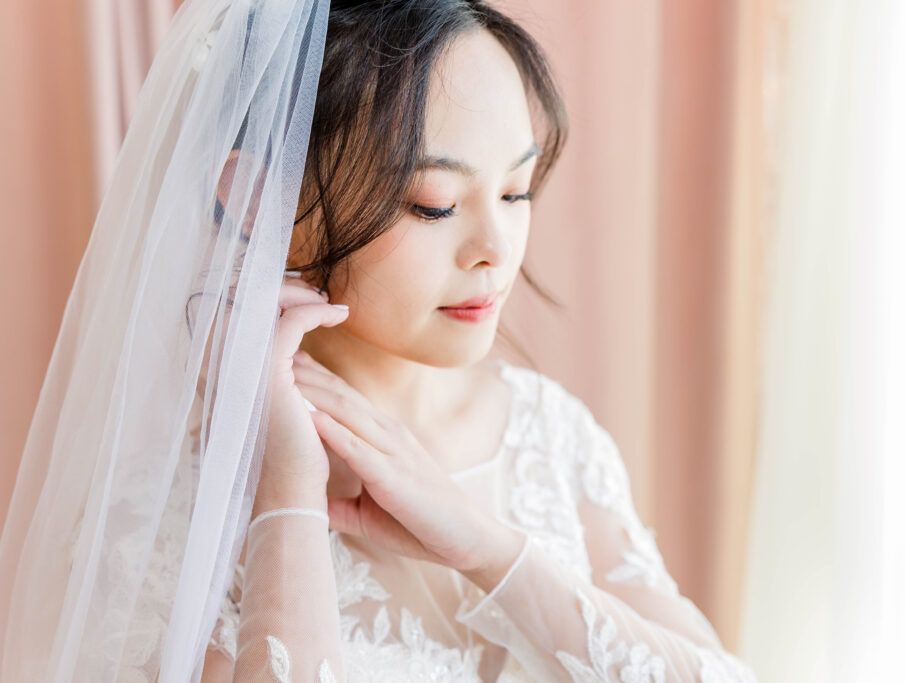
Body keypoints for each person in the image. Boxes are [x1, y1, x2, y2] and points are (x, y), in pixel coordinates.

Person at [0, 1, 758, 681]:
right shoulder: (168, 515)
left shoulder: (551, 437)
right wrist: (287, 496)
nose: (495, 245)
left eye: (516, 191)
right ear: (264, 203)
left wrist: (482, 546)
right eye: (434, 204)